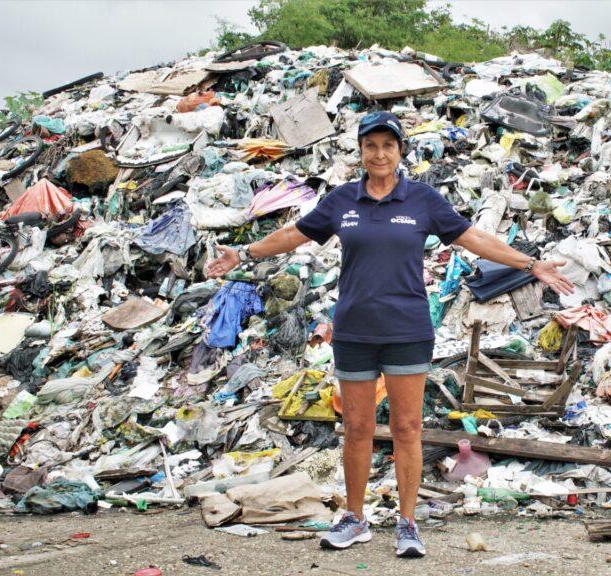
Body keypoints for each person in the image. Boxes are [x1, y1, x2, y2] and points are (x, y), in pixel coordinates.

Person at [206, 111, 574, 558]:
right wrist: (242, 252)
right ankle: (356, 518)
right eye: (371, 146)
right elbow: (293, 235)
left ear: (400, 151)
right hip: (355, 331)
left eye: (388, 145)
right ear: (361, 152)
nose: (379, 153)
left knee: (406, 428)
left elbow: (474, 239)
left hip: (407, 330)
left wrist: (529, 263)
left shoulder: (422, 200)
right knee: (357, 427)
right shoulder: (342, 201)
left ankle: (407, 523)